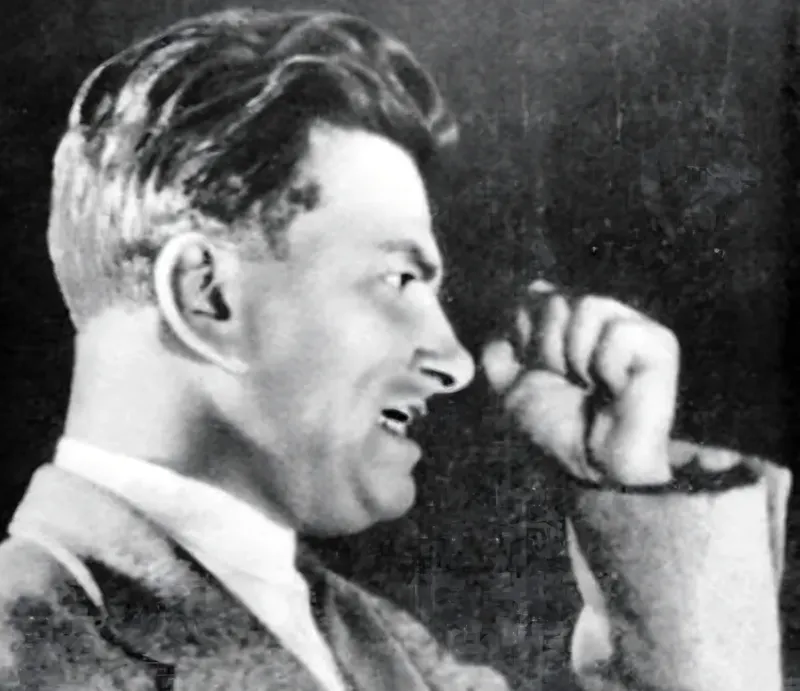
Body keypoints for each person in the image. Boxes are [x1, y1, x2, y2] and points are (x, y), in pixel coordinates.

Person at [0, 8, 790, 691]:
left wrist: (632, 478)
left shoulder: (378, 643)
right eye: (397, 278)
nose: (455, 360)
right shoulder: (25, 652)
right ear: (209, 295)